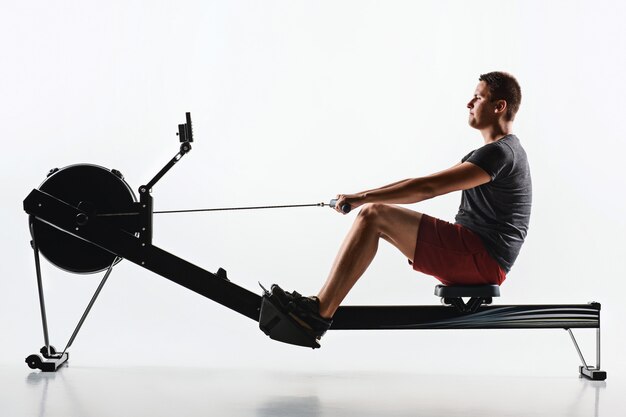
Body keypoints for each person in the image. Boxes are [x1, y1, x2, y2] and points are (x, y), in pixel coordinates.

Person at [271, 71, 531, 341]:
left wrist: (362, 198)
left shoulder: (500, 153)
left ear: (499, 106)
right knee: (374, 214)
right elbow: (423, 183)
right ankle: (319, 306)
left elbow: (426, 189)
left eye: (477, 98)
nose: (469, 104)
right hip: (478, 256)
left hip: (481, 259)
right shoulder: (494, 153)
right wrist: (362, 195)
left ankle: (317, 313)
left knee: (374, 215)